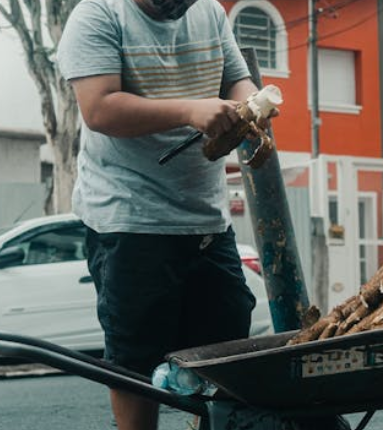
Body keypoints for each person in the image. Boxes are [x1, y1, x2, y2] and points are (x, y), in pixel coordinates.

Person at [56, 1, 268, 429]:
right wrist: (190, 110)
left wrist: (250, 109)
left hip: (207, 219)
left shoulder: (209, 12)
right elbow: (99, 109)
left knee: (227, 354)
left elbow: (237, 80)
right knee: (136, 360)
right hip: (129, 219)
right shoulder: (98, 14)